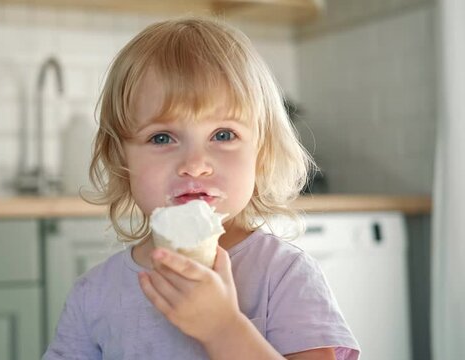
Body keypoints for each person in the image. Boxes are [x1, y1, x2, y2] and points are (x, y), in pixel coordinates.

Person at [43, 17, 360, 360]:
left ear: (261, 152)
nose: (194, 164)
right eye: (161, 137)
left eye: (223, 135)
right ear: (121, 159)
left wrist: (223, 329)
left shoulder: (284, 276)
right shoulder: (92, 296)